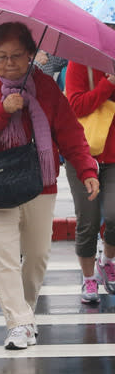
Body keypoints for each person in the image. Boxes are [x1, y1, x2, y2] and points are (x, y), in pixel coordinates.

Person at [0, 21, 99, 349]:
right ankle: (18, 323)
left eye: (17, 56)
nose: (9, 63)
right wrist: (1, 111)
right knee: (4, 255)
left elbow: (69, 132)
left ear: (31, 55)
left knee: (36, 256)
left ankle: (26, 312)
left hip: (40, 183)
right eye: (1, 56)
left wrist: (86, 169)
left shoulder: (46, 87)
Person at [64, 53, 115, 304]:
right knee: (89, 220)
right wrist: (108, 85)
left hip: (114, 156)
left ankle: (107, 262)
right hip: (83, 154)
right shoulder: (79, 62)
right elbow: (75, 105)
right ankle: (88, 278)